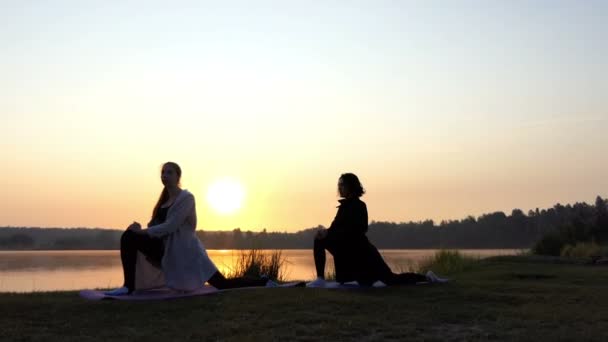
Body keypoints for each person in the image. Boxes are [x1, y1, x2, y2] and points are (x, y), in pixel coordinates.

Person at [105, 162, 273, 295]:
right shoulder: (163, 202)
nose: (165, 175)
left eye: (169, 172)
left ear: (178, 176)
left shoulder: (186, 198)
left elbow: (171, 226)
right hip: (165, 251)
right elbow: (155, 227)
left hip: (186, 253)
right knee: (128, 236)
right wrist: (138, 228)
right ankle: (128, 287)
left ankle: (263, 281)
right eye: (163, 172)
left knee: (222, 284)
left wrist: (142, 233)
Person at [307, 173, 448, 287]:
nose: (339, 188)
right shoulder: (343, 207)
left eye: (342, 184)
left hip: (363, 252)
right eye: (339, 185)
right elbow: (335, 229)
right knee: (319, 239)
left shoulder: (359, 206)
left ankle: (427, 277)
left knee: (391, 280)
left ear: (350, 186)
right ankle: (320, 278)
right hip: (347, 249)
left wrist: (333, 234)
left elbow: (360, 229)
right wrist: (325, 232)